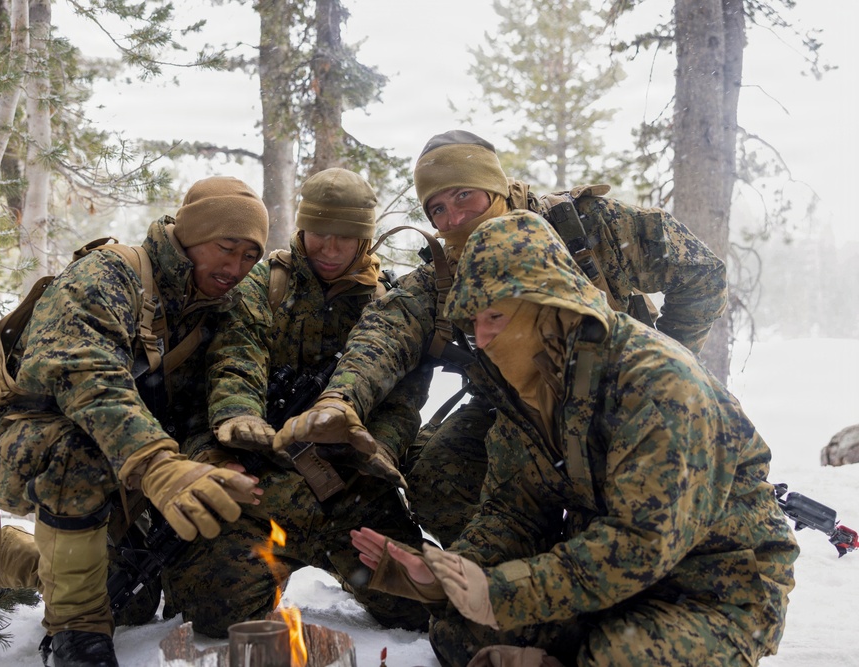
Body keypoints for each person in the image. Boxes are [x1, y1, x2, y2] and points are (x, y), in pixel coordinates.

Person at [350, 212, 799, 666]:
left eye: (496, 316)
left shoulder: (659, 384)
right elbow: (513, 510)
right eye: (473, 322)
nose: (481, 338)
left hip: (714, 590)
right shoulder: (528, 389)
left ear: (550, 305)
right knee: (460, 630)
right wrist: (445, 577)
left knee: (620, 657)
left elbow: (641, 543)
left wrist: (501, 593)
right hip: (612, 585)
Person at [274, 130, 729, 547]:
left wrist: (669, 362)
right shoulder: (440, 277)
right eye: (437, 209)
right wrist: (339, 400)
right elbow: (383, 335)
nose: (454, 217)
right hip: (511, 410)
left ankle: (580, 570)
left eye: (464, 196)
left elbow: (701, 274)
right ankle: (508, 568)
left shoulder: (586, 227)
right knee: (435, 475)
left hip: (614, 399)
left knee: (618, 517)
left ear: (495, 187)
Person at [0, 176, 270, 667]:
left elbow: (211, 399)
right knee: (75, 452)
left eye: (250, 256)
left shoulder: (221, 309)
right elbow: (85, 373)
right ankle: (76, 633)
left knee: (125, 593)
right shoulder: (110, 273)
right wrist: (160, 467)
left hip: (125, 462)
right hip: (31, 442)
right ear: (190, 234)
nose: (235, 267)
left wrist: (212, 460)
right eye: (226, 247)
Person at [158, 167, 434, 637]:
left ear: (364, 240)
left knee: (418, 610)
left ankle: (349, 570)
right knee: (212, 612)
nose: (329, 249)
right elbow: (235, 359)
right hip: (265, 489)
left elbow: (404, 401)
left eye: (344, 238)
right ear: (301, 227)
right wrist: (237, 418)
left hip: (352, 492)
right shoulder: (261, 285)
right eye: (319, 233)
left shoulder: (390, 303)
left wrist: (377, 448)